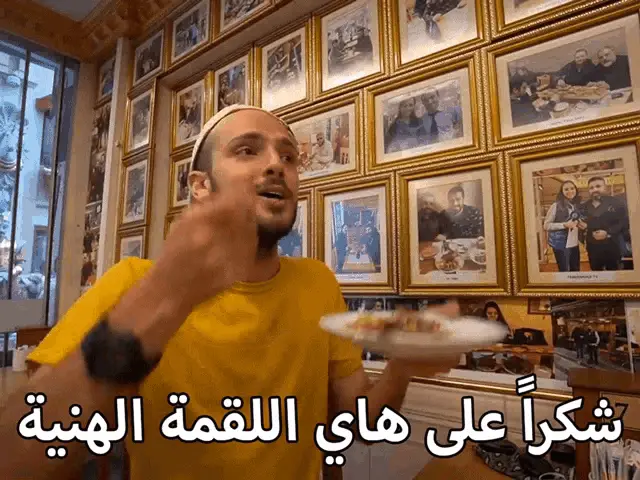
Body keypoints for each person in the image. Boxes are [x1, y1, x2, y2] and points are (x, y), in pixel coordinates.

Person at [0, 105, 459, 480]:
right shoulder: (135, 281)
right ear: (201, 186)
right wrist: (164, 297)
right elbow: (15, 455)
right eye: (247, 150)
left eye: (289, 157)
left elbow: (360, 425)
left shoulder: (318, 283)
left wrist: (401, 366)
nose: (277, 165)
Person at [578, 176, 628, 271]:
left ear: (605, 188)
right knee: (596, 272)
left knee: (614, 273)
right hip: (593, 247)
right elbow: (583, 223)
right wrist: (582, 227)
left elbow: (624, 221)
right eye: (591, 188)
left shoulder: (617, 203)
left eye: (598, 186)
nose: (594, 189)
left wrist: (608, 232)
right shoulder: (584, 206)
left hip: (613, 245)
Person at [543, 180, 582, 272]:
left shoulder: (576, 206)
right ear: (562, 192)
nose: (570, 191)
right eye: (566, 189)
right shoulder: (555, 206)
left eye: (572, 188)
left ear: (576, 190)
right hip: (560, 244)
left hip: (574, 243)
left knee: (576, 270)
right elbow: (546, 225)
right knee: (564, 271)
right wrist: (564, 225)